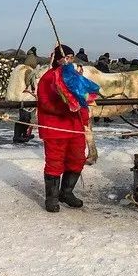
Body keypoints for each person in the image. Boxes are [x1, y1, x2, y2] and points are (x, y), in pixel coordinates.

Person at [35, 45, 100, 212]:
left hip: (75, 127)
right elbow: (44, 102)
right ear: (57, 59)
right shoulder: (48, 78)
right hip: (55, 127)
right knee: (55, 161)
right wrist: (65, 108)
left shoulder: (75, 77)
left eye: (71, 57)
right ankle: (52, 198)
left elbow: (82, 100)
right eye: (66, 57)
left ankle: (67, 192)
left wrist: (83, 115)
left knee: (77, 159)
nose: (68, 60)